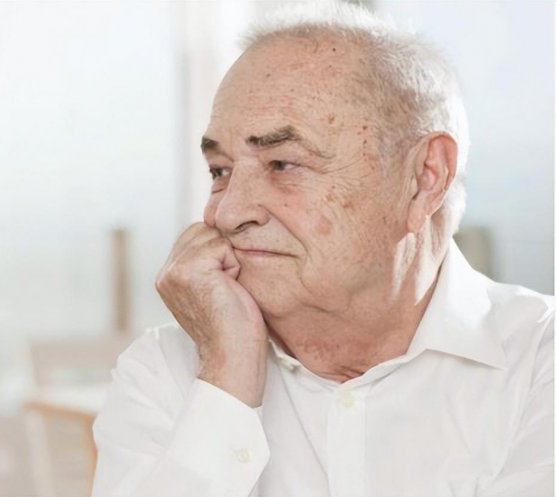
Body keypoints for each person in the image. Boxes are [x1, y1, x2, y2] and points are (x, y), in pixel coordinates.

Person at [91, 3, 553, 497]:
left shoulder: (540, 362)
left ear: (424, 177)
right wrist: (225, 382)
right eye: (220, 171)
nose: (226, 213)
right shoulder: (164, 370)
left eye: (282, 164)